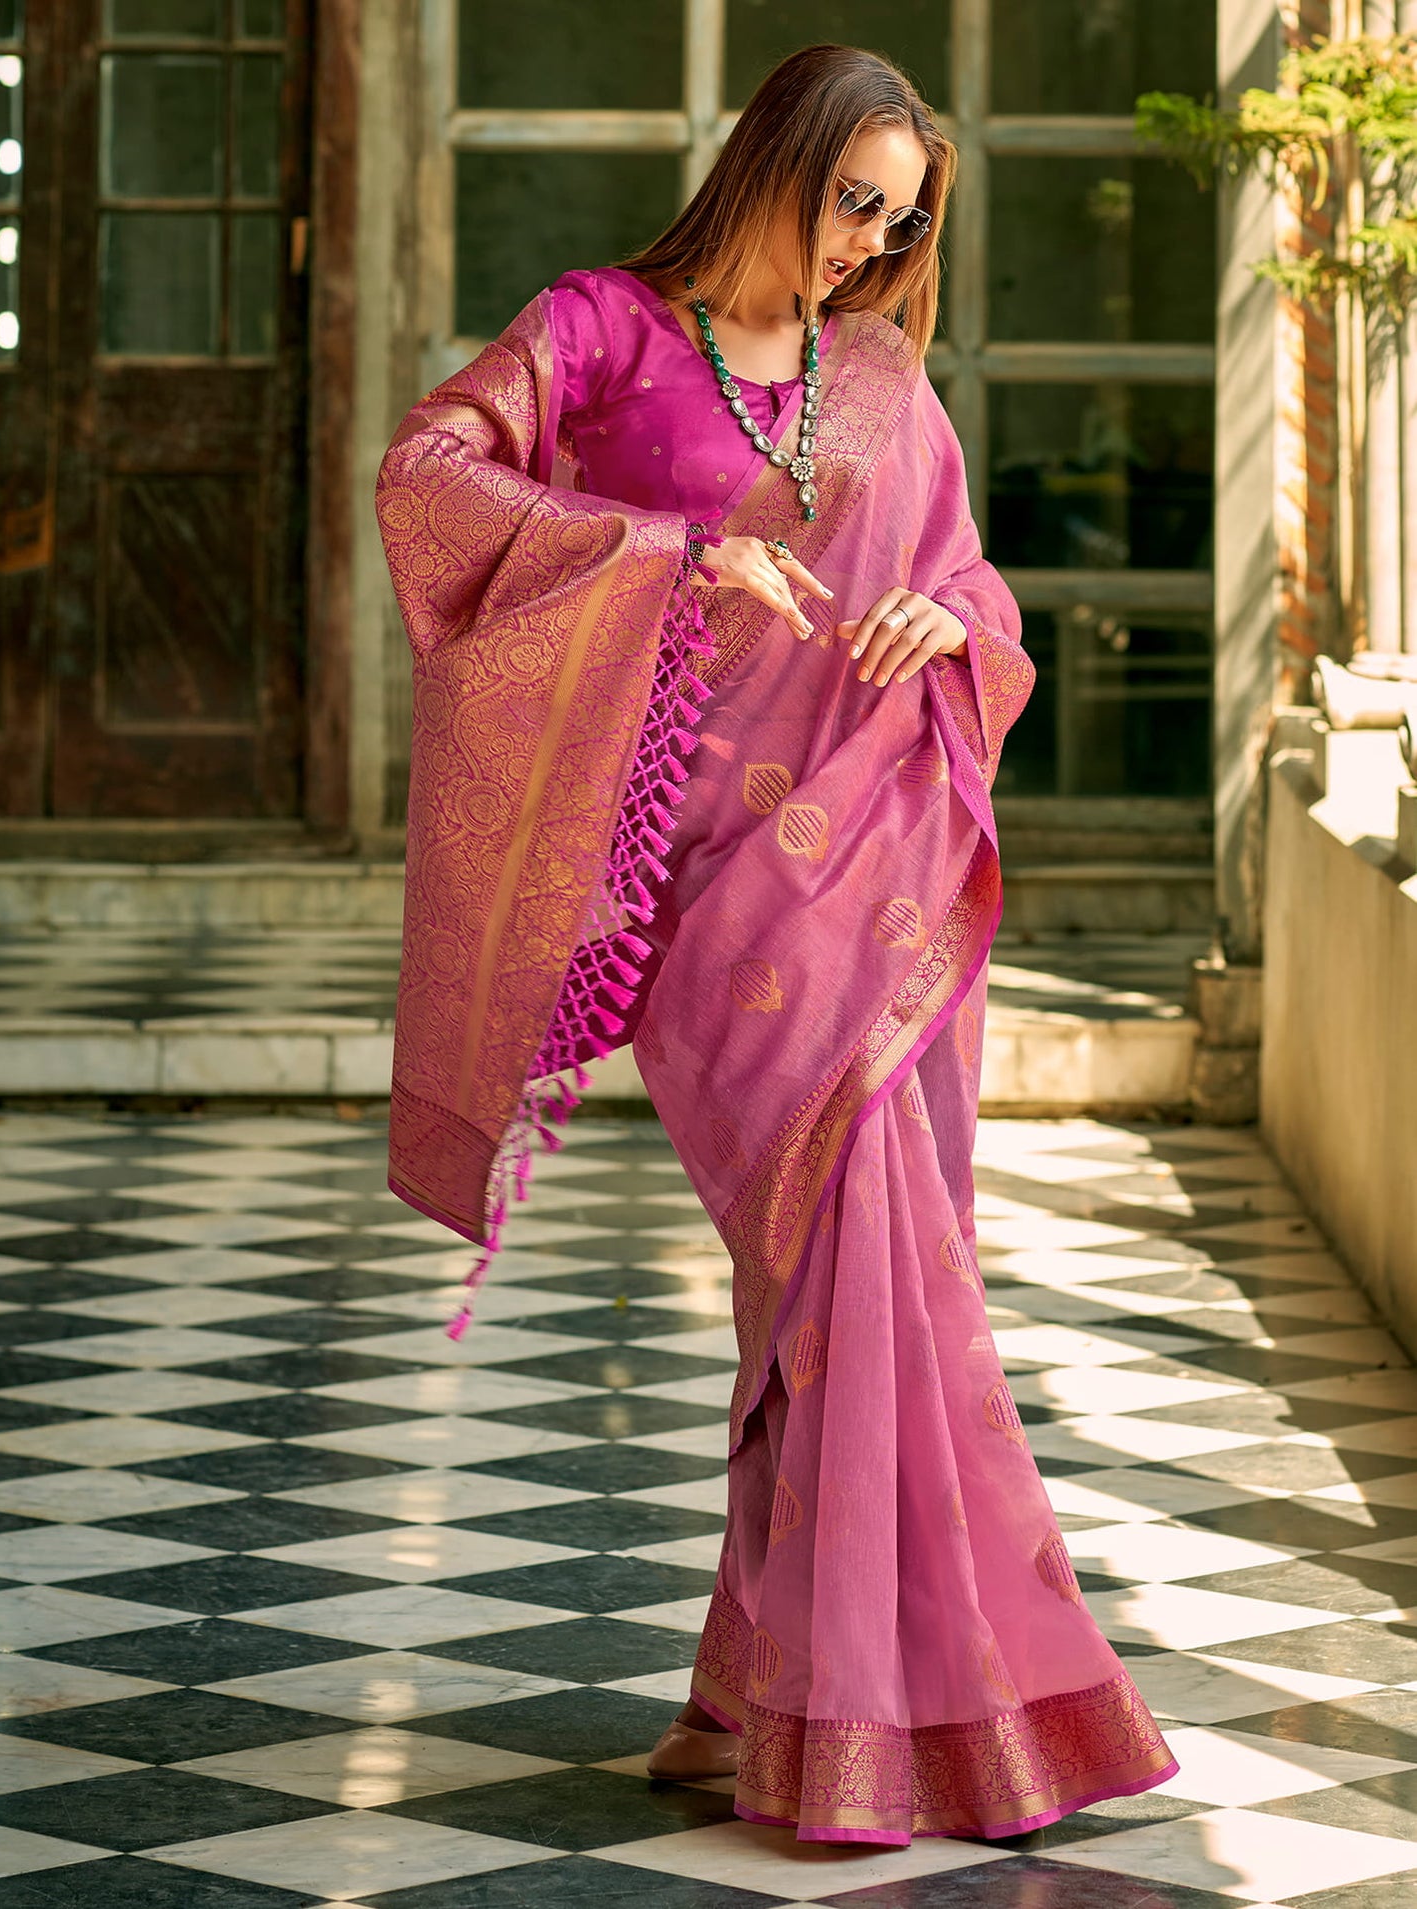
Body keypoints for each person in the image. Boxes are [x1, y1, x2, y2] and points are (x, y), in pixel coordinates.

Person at [375, 41, 1178, 1847]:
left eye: (897, 221)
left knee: (844, 1292)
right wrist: (667, 557)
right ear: (774, 160)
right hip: (701, 890)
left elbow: (979, 588)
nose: (866, 244)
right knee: (838, 1280)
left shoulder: (883, 374)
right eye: (850, 200)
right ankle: (897, 1701)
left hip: (875, 865)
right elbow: (427, 479)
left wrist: (933, 614)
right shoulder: (596, 332)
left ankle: (791, 1698)